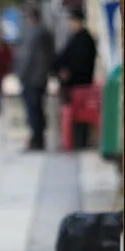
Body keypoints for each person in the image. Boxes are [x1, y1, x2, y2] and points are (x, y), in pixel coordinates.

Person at [52, 7, 98, 148]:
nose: (71, 24)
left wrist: (68, 72)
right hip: (73, 85)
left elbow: (80, 62)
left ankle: (79, 142)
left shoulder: (84, 39)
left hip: (80, 86)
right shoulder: (75, 38)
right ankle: (74, 141)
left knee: (77, 116)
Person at [15, 5, 56, 150]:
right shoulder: (46, 33)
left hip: (31, 77)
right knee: (38, 108)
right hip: (41, 77)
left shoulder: (32, 34)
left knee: (33, 110)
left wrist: (20, 74)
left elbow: (27, 57)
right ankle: (39, 138)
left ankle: (36, 140)